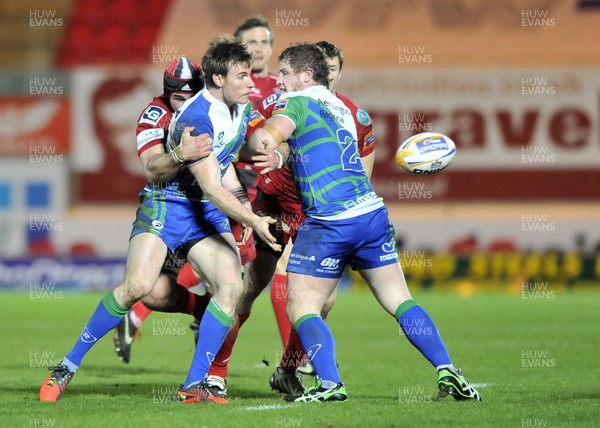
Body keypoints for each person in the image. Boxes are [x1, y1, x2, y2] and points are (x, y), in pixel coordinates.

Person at [39, 37, 279, 405]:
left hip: (206, 209)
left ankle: (194, 384)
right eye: (244, 76)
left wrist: (270, 156)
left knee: (231, 286)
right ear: (217, 80)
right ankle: (67, 366)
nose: (253, 83)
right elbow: (160, 170)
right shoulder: (188, 118)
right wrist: (251, 216)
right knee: (139, 287)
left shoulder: (239, 108)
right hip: (168, 205)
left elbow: (229, 161)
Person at [251, 43, 482, 403]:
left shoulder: (295, 103)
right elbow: (309, 145)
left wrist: (255, 142)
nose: (277, 80)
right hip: (371, 214)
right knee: (399, 299)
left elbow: (267, 136)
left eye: (284, 72)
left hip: (329, 220)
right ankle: (448, 370)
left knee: (302, 306)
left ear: (305, 75)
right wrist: (283, 153)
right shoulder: (345, 109)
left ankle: (330, 384)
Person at [201, 41, 378, 399]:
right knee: (248, 288)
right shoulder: (279, 103)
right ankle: (216, 373)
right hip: (272, 203)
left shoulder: (355, 117)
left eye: (332, 69)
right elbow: (260, 139)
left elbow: (362, 173)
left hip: (317, 214)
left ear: (337, 74)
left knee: (320, 303)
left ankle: (286, 369)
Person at [111, 56, 214, 365]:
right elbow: (151, 167)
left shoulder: (216, 108)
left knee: (235, 283)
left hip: (216, 204)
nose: (183, 105)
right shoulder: (154, 115)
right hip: (171, 207)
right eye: (177, 98)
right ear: (166, 92)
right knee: (153, 292)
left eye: (190, 97)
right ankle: (202, 312)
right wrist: (181, 153)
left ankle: (212, 375)